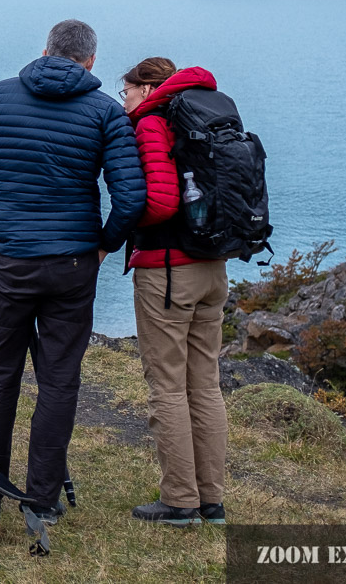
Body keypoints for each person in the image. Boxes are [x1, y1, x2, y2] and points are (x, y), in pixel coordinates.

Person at [0, 19, 145, 522]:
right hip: (74, 265)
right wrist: (104, 246)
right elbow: (131, 197)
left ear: (44, 51)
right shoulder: (105, 111)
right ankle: (42, 500)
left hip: (12, 261)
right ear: (91, 62)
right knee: (59, 382)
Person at [119, 56, 228, 527]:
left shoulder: (152, 123)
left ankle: (180, 501)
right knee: (204, 384)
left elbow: (161, 203)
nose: (123, 101)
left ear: (146, 89)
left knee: (167, 386)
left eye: (126, 92)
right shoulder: (209, 110)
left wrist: (124, 223)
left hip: (168, 272)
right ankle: (211, 501)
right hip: (213, 269)